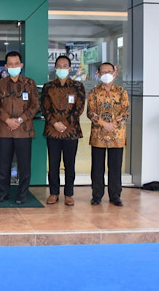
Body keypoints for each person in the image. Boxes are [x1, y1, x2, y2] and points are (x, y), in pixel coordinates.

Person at [0, 51, 40, 204]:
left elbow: (35, 105)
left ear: (21, 65)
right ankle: (3, 193)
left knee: (24, 165)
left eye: (16, 63)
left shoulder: (30, 83)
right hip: (4, 130)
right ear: (6, 66)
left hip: (24, 131)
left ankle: (22, 194)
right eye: (10, 64)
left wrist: (19, 120)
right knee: (4, 165)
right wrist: (8, 120)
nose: (14, 66)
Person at [41, 55, 85, 206]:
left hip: (71, 131)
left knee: (69, 165)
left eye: (65, 66)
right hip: (52, 131)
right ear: (55, 68)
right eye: (59, 66)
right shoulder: (48, 87)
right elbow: (45, 108)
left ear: (70, 68)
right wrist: (55, 123)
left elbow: (79, 108)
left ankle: (69, 194)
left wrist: (64, 124)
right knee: (53, 164)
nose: (62, 68)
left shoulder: (78, 86)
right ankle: (54, 193)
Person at [87, 62, 130, 207]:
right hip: (98, 135)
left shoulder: (122, 92)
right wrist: (103, 124)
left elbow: (125, 112)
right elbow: (90, 112)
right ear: (98, 74)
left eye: (109, 71)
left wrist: (113, 125)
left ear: (115, 73)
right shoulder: (93, 92)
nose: (106, 74)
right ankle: (97, 195)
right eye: (103, 72)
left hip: (117, 135)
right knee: (97, 167)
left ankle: (115, 196)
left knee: (115, 167)